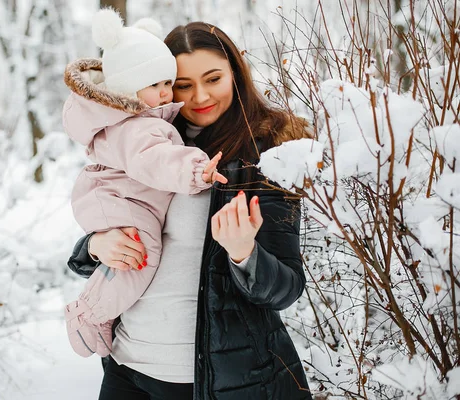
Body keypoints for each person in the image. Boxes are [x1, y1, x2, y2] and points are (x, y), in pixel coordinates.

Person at [67, 19, 314, 400]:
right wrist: (96, 245)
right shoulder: (145, 140)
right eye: (182, 84)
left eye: (213, 78)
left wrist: (244, 253)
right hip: (126, 370)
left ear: (235, 74)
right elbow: (109, 216)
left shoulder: (264, 155)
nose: (199, 96)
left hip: (213, 382)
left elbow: (285, 289)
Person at [63, 9, 227, 358]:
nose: (169, 94)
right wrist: (198, 170)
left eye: (169, 83)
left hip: (120, 199)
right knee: (141, 254)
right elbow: (154, 159)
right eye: (159, 85)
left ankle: (96, 311)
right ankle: (90, 313)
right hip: (120, 201)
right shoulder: (139, 125)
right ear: (128, 86)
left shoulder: (141, 120)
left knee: (133, 257)